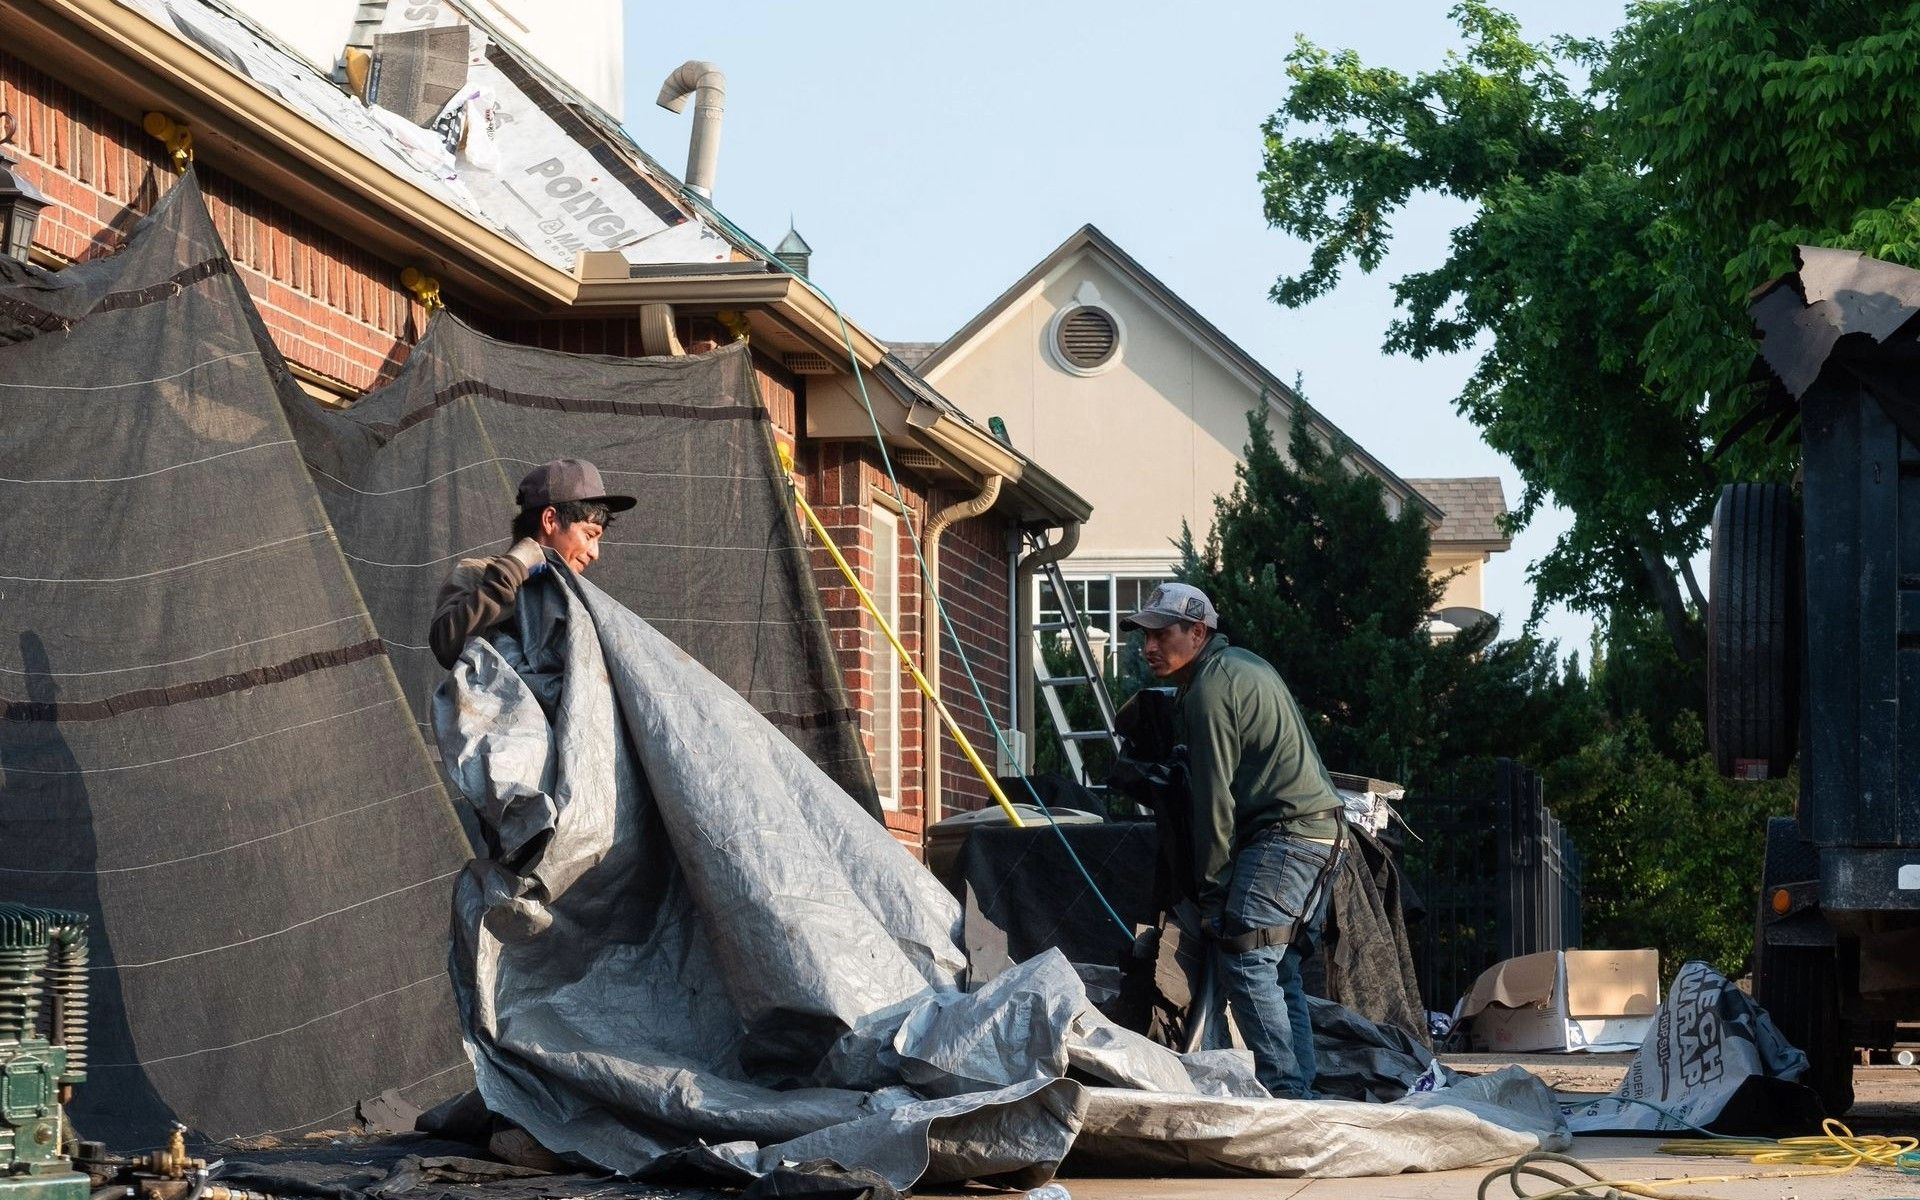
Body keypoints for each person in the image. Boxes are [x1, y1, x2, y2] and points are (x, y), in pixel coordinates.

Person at [1120, 581, 1346, 1099]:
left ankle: (1287, 1094)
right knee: (1277, 963)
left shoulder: (1209, 691)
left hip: (1288, 836)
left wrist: (1214, 893)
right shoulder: (1242, 665)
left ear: (1197, 632)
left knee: (1245, 956)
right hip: (1321, 833)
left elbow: (1214, 804)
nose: (1149, 646)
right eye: (1143, 635)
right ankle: (1298, 1091)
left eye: (1161, 632)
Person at [428, 458, 636, 670]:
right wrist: (512, 571)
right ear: (549, 520)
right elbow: (446, 645)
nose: (595, 553)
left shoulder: (577, 597)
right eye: (589, 535)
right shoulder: (477, 572)